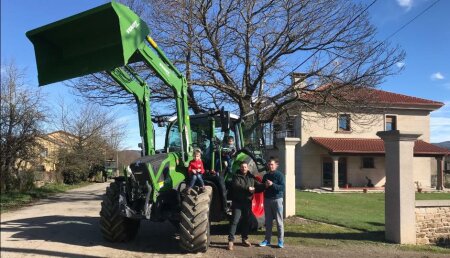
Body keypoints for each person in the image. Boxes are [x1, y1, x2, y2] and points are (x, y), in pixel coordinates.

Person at [228, 162, 264, 251]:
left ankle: (244, 239)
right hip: (237, 203)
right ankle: (230, 241)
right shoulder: (236, 176)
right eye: (242, 167)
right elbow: (237, 186)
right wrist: (248, 188)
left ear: (247, 168)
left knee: (246, 221)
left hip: (247, 202)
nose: (244, 168)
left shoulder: (251, 177)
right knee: (234, 221)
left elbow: (258, 186)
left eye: (245, 167)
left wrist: (265, 185)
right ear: (240, 168)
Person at [259, 157, 285, 248]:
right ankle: (267, 240)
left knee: (279, 221)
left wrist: (272, 185)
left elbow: (282, 188)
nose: (270, 166)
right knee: (268, 222)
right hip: (267, 200)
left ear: (276, 165)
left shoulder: (280, 175)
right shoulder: (266, 176)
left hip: (277, 200)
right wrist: (264, 186)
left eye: (272, 164)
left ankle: (281, 241)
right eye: (269, 164)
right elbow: (262, 187)